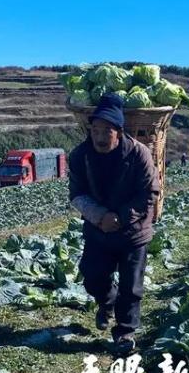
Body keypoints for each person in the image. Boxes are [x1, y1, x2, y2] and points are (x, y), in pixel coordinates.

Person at [68, 93, 160, 354]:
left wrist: (120, 217)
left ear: (118, 131)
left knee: (131, 286)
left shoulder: (139, 154)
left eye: (106, 131)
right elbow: (76, 194)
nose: (99, 136)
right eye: (95, 130)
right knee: (93, 277)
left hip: (133, 232)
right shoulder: (80, 155)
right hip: (98, 231)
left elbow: (150, 193)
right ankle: (106, 302)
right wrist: (100, 217)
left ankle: (124, 332)